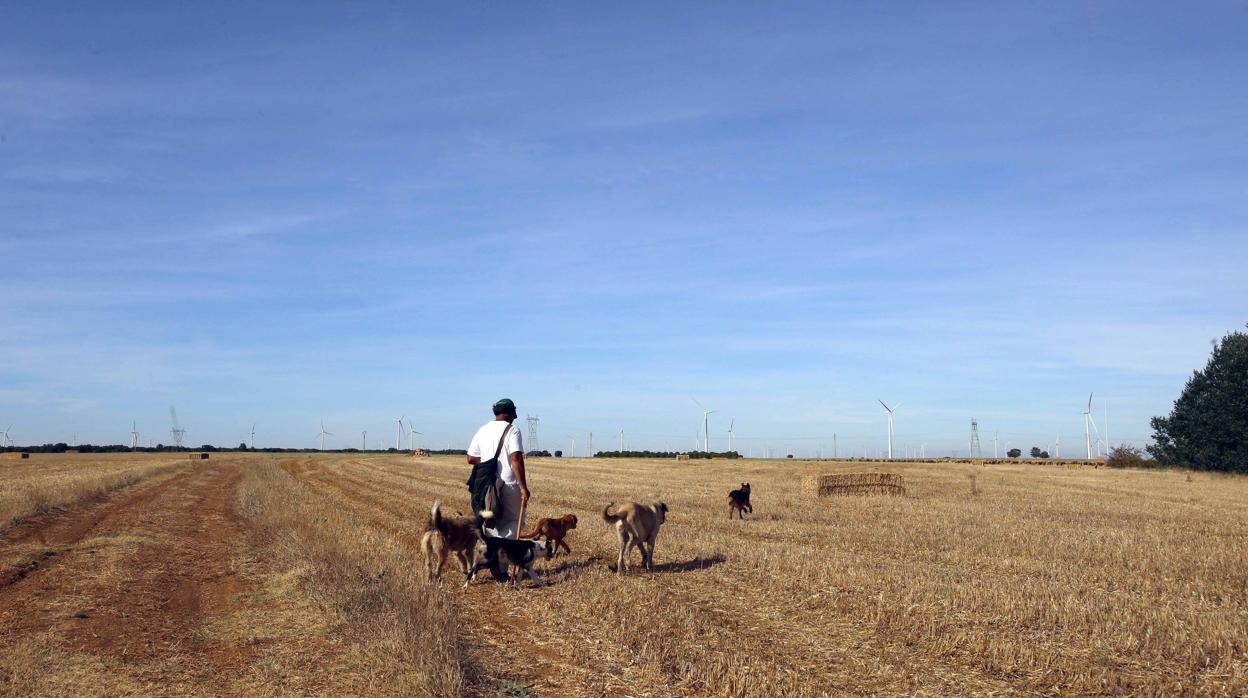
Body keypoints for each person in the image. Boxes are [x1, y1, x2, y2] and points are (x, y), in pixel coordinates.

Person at [466, 398, 530, 538]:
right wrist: (523, 487)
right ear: (509, 413)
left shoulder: (482, 430)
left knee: (490, 522)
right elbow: (516, 458)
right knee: (514, 520)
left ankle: (492, 553)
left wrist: (489, 463)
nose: (514, 418)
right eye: (514, 414)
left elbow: (470, 458)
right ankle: (502, 551)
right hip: (508, 485)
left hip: (486, 485)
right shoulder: (512, 430)